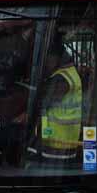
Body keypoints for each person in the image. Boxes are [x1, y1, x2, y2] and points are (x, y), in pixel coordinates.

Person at [29, 32, 82, 161]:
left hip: (55, 145)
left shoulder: (61, 79)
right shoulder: (70, 72)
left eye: (47, 59)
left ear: (56, 58)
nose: (46, 64)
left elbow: (43, 104)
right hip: (64, 141)